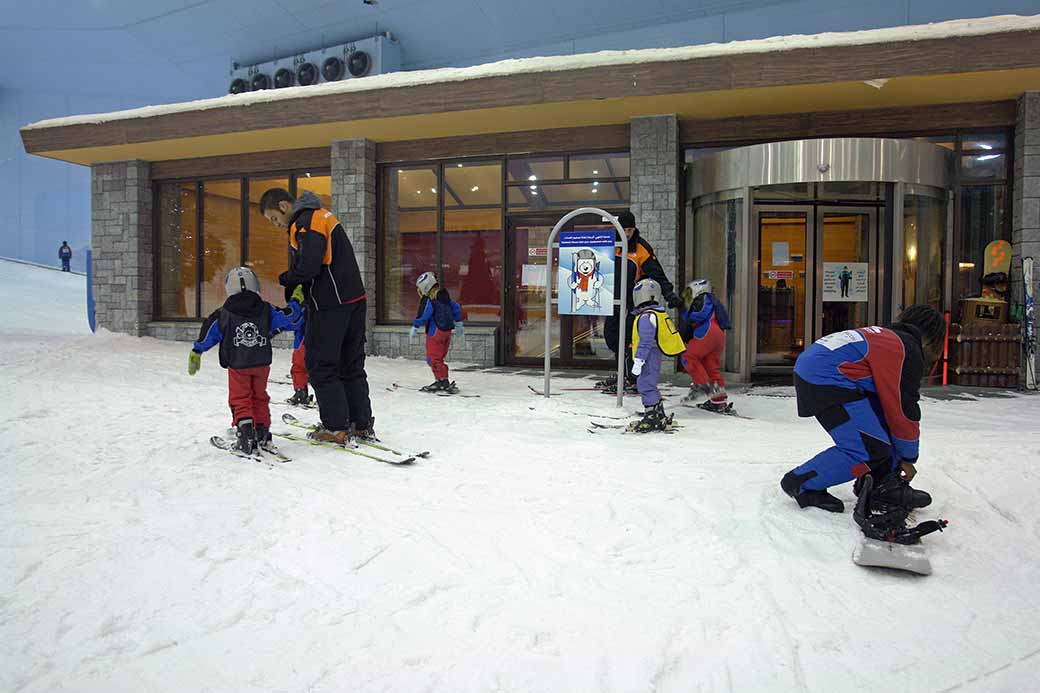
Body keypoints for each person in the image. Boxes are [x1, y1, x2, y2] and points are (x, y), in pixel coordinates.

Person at [780, 305, 947, 513]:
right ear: (934, 337)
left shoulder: (889, 338)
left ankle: (882, 485)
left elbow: (889, 410)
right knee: (866, 449)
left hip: (819, 370)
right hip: (827, 377)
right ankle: (800, 483)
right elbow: (904, 411)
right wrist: (907, 458)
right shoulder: (907, 350)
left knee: (878, 431)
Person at [259, 188, 374, 445]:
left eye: (273, 218)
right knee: (350, 366)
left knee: (320, 365)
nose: (276, 225)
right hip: (354, 299)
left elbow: (309, 264)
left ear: (284, 206)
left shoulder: (305, 221)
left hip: (331, 304)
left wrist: (287, 279)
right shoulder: (321, 216)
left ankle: (335, 427)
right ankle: (360, 423)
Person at [188, 267, 302, 454]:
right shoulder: (266, 309)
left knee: (241, 398)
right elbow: (288, 318)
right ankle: (263, 433)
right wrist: (296, 302)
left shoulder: (223, 313)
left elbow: (209, 332)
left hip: (238, 364)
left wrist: (197, 350)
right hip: (261, 363)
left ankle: (246, 435)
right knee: (260, 397)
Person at [599, 210, 681, 394]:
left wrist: (669, 294)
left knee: (629, 340)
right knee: (612, 337)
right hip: (612, 300)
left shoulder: (641, 249)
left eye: (629, 230)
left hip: (631, 303)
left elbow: (657, 274)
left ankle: (632, 378)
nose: (626, 233)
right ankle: (624, 373)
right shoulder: (609, 243)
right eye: (623, 229)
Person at [627, 278, 685, 433]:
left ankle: (651, 414)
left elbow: (645, 341)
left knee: (645, 384)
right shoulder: (656, 313)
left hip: (648, 356)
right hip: (653, 354)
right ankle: (658, 412)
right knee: (650, 383)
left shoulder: (646, 317)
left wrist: (638, 361)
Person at [679, 279, 732, 413]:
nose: (688, 297)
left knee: (688, 357)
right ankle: (719, 400)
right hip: (717, 334)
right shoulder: (713, 300)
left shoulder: (703, 298)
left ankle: (702, 386)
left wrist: (687, 318)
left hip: (706, 332)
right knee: (711, 367)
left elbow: (698, 314)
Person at [410, 271, 464, 393]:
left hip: (435, 333)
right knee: (439, 358)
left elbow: (424, 315)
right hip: (447, 333)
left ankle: (442, 381)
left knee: (433, 359)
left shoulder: (430, 300)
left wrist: (415, 326)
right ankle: (441, 379)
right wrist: (459, 324)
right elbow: (455, 308)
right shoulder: (445, 298)